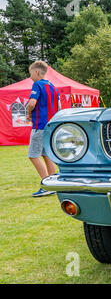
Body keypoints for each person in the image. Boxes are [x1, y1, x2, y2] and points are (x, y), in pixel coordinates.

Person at [25, 61, 61, 197]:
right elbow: (58, 107)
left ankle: (46, 185)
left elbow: (32, 103)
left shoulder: (37, 84)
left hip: (39, 125)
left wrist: (28, 114)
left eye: (31, 73)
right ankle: (54, 184)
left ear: (37, 72)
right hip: (50, 126)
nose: (30, 77)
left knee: (33, 155)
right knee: (47, 155)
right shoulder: (53, 87)